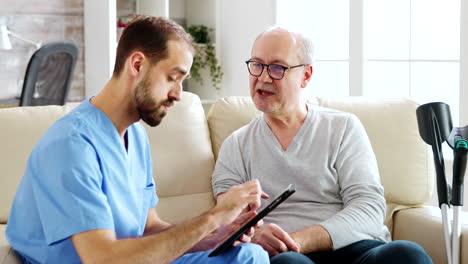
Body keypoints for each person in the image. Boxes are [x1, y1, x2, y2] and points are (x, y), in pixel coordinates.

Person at [6, 16, 269, 264]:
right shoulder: (72, 145)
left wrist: (213, 236)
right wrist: (213, 218)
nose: (178, 94)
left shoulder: (135, 135)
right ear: (137, 65)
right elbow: (102, 258)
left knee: (248, 256)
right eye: (172, 78)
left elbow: (150, 228)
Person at [211, 27, 433, 264]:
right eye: (257, 64)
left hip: (355, 248)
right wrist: (255, 236)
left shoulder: (343, 128)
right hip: (286, 257)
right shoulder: (236, 145)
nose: (263, 77)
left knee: (408, 253)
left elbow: (369, 208)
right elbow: (226, 220)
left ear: (306, 75)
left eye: (277, 68)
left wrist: (299, 240)